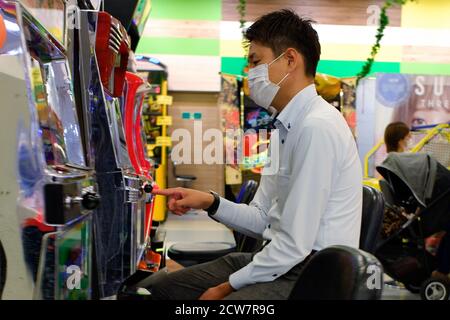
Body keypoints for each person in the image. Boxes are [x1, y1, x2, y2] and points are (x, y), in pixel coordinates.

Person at [142, 9, 363, 300]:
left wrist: (225, 287)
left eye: (255, 62)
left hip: (312, 274)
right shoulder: (285, 127)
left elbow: (295, 245)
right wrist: (209, 201)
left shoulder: (316, 128)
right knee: (162, 289)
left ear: (290, 60)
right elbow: (263, 219)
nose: (249, 73)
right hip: (280, 260)